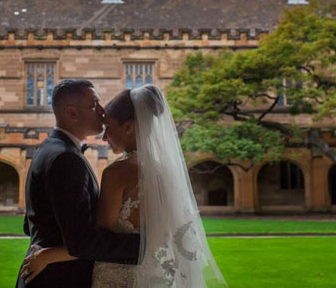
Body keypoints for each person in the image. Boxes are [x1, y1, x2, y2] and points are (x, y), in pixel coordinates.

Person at [22, 85, 226, 287]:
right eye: (94, 105)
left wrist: (48, 255)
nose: (102, 122)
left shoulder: (112, 172)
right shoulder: (164, 172)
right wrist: (156, 245)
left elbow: (89, 239)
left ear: (128, 127)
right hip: (153, 273)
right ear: (71, 113)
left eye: (108, 126)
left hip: (115, 273)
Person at [15, 79, 140, 288]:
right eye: (93, 105)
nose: (102, 111)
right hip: (59, 279)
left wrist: (48, 250)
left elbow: (31, 224)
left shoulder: (50, 148)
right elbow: (83, 242)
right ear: (72, 113)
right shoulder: (66, 158)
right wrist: (146, 245)